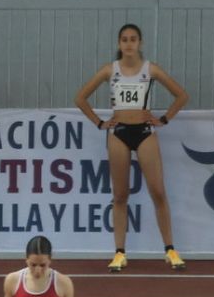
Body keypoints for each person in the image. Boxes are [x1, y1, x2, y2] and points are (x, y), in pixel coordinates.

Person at [74, 23, 189, 272]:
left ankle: (170, 249)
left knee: (158, 191)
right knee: (120, 195)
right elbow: (80, 98)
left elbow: (181, 95)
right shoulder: (110, 70)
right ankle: (119, 253)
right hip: (119, 133)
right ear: (119, 44)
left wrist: (164, 119)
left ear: (140, 43)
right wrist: (99, 123)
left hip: (145, 133)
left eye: (133, 39)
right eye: (124, 39)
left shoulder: (151, 69)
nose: (128, 44)